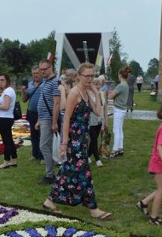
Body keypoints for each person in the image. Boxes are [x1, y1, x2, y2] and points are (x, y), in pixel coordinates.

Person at [42, 63, 112, 219]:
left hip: (82, 139)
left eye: (92, 76)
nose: (89, 78)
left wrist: (95, 91)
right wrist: (64, 143)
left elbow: (98, 111)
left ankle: (50, 200)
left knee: (69, 171)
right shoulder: (75, 93)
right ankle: (93, 208)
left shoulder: (87, 91)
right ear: (79, 76)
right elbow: (66, 118)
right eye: (87, 76)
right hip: (74, 140)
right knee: (82, 173)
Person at [36, 59, 61, 184]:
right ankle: (51, 172)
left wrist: (54, 122)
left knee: (44, 146)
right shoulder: (45, 81)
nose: (42, 71)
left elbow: (56, 103)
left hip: (49, 118)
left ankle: (50, 174)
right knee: (47, 146)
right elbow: (43, 100)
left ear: (50, 67)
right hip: (44, 118)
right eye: (41, 69)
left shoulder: (55, 82)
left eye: (45, 69)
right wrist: (39, 120)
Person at [0, 74, 18, 169]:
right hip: (6, 118)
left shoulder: (8, 91)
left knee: (6, 141)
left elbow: (6, 107)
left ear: (7, 80)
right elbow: (5, 105)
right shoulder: (7, 91)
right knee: (9, 140)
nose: (0, 82)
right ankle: (14, 160)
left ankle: (6, 162)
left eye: (2, 80)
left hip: (5, 119)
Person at [21, 65, 44, 162]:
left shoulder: (45, 83)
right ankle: (35, 154)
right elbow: (24, 100)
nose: (35, 75)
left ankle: (43, 156)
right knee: (34, 134)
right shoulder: (30, 84)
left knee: (43, 135)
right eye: (33, 73)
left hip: (43, 113)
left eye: (37, 73)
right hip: (32, 113)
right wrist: (23, 92)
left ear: (41, 73)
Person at [108, 68, 129, 158]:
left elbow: (111, 96)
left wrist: (111, 94)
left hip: (118, 109)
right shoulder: (126, 85)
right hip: (123, 109)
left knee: (116, 130)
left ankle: (115, 150)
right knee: (120, 129)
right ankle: (120, 148)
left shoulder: (121, 85)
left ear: (120, 75)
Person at [88, 76, 107, 167]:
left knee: (93, 141)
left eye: (99, 84)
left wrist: (104, 121)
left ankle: (87, 156)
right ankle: (97, 160)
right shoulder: (87, 94)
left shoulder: (100, 94)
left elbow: (103, 108)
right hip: (91, 120)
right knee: (94, 140)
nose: (98, 86)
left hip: (99, 120)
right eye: (96, 84)